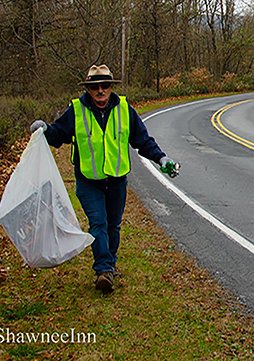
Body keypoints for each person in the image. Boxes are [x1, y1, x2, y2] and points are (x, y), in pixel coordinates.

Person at [30, 64, 179, 294]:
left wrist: (161, 159)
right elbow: (58, 135)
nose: (100, 91)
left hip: (117, 181)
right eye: (95, 87)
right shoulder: (76, 110)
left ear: (111, 88)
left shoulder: (124, 109)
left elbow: (142, 140)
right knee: (98, 223)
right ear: (88, 89)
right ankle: (103, 270)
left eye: (105, 86)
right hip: (88, 181)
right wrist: (44, 129)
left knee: (113, 225)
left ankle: (110, 262)